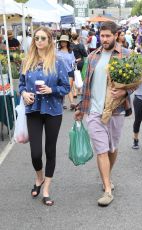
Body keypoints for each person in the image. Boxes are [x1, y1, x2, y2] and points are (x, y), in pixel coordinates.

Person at [75, 21, 132, 206]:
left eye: (108, 36)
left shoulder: (127, 55)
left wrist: (125, 92)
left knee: (112, 148)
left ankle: (107, 175)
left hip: (116, 111)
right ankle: (107, 189)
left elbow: (134, 83)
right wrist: (80, 109)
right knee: (101, 150)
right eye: (102, 35)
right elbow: (86, 85)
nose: (104, 39)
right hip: (94, 111)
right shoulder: (92, 56)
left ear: (116, 35)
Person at [19, 26, 70, 206]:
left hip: (53, 111)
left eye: (42, 38)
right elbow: (22, 85)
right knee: (35, 153)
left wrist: (52, 89)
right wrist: (24, 94)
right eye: (36, 38)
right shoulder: (27, 61)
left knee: (50, 151)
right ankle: (38, 177)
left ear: (49, 41)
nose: (39, 41)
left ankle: (46, 189)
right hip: (33, 109)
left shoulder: (58, 62)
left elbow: (66, 87)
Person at [57, 34, 76, 110]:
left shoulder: (70, 52)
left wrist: (75, 64)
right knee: (62, 87)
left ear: (67, 43)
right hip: (60, 72)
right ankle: (63, 103)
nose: (63, 43)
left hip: (69, 71)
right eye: (62, 41)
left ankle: (72, 103)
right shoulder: (57, 51)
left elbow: (73, 62)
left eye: (65, 41)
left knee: (68, 87)